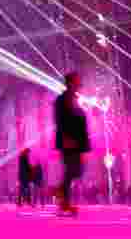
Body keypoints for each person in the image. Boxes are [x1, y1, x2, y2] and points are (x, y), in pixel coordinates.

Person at [55, 72, 91, 216]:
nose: (79, 84)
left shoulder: (74, 99)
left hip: (78, 141)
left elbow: (79, 120)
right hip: (68, 141)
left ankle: (61, 195)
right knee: (71, 170)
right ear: (69, 83)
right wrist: (65, 137)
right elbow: (60, 120)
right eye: (76, 81)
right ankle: (63, 202)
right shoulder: (62, 100)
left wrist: (83, 146)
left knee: (76, 171)